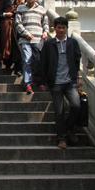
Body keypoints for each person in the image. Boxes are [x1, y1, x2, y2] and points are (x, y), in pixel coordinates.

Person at [40, 16, 82, 149]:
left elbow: (77, 60)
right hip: (56, 82)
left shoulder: (73, 43)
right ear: (55, 28)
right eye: (59, 27)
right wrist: (42, 81)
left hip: (70, 81)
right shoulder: (49, 44)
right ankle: (61, 138)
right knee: (59, 111)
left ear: (66, 28)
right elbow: (43, 63)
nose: (61, 30)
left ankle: (69, 129)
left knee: (76, 106)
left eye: (64, 27)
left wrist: (78, 77)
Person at [15, 0, 48, 94]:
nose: (30, 1)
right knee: (27, 60)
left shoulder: (42, 9)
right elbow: (17, 23)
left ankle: (40, 82)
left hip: (38, 38)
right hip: (25, 39)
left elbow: (45, 23)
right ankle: (28, 83)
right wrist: (26, 33)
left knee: (39, 61)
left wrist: (46, 32)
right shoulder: (20, 8)